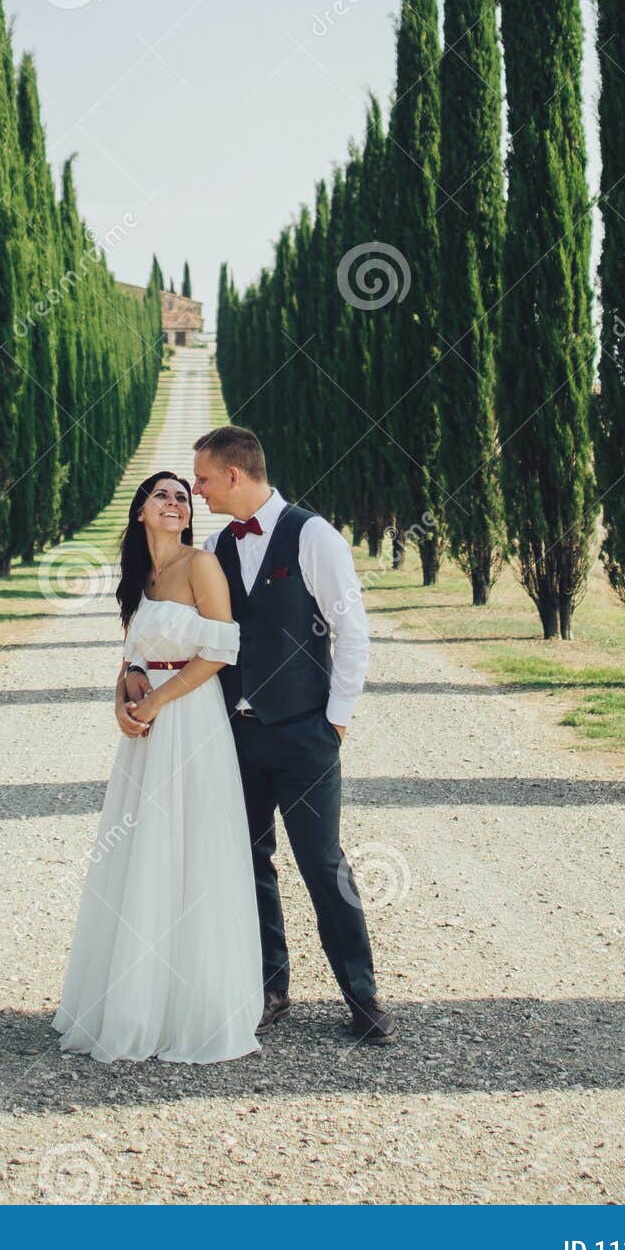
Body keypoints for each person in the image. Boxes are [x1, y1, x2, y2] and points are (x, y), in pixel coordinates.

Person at [120, 426, 398, 1045]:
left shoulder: (313, 536)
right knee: (247, 863)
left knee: (323, 863)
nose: (196, 490)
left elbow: (352, 632)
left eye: (203, 480)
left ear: (235, 476)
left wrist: (337, 719)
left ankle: (363, 993)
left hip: (304, 735)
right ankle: (272, 988)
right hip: (231, 738)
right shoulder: (215, 548)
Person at [53, 471, 261, 1063]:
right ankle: (133, 1000)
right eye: (162, 495)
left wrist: (163, 698)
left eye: (182, 496)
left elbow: (222, 649)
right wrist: (124, 700)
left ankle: (192, 1006)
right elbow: (130, 657)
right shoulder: (137, 579)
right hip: (145, 729)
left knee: (190, 846)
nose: (175, 503)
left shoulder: (201, 566)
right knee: (142, 849)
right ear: (140, 511)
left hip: (192, 720)